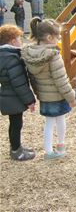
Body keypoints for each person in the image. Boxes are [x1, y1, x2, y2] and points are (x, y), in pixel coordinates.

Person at [22, 18, 75, 160]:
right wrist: (72, 97)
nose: (58, 40)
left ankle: (48, 151)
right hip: (57, 95)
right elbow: (61, 80)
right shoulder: (53, 55)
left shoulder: (29, 53)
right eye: (57, 37)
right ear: (49, 37)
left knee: (49, 123)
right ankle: (61, 145)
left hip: (44, 96)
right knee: (60, 119)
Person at [0, 25, 36, 161]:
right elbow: (19, 83)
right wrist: (30, 100)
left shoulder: (5, 55)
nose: (21, 41)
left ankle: (17, 146)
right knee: (16, 124)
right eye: (19, 38)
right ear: (12, 41)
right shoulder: (11, 58)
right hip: (13, 97)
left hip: (8, 94)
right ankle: (16, 151)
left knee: (15, 123)